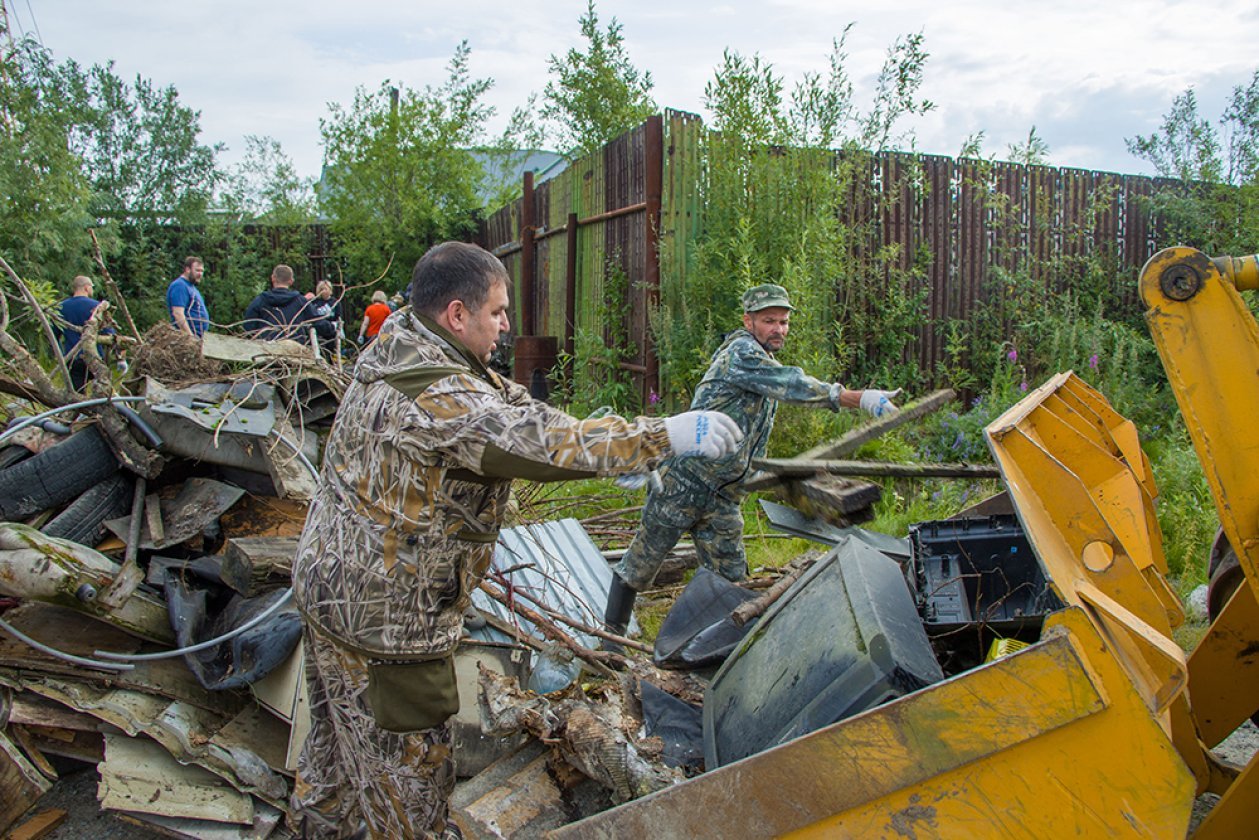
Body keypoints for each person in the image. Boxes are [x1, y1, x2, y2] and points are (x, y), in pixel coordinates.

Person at [288, 241, 742, 839]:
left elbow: (518, 407)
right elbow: (527, 441)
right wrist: (662, 435)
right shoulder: (436, 395)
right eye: (498, 312)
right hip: (386, 627)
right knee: (409, 788)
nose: (506, 326)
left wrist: (608, 445)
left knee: (336, 759)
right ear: (457, 314)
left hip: (329, 592)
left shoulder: (404, 346)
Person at [603, 283, 903, 643]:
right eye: (769, 321)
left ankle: (713, 651)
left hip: (724, 496)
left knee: (730, 579)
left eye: (784, 321)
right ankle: (611, 640)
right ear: (749, 321)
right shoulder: (742, 355)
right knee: (640, 563)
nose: (779, 329)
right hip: (682, 485)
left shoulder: (761, 360)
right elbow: (793, 384)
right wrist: (859, 398)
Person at [56, 275, 114, 392]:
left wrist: (61, 356)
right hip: (95, 358)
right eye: (92, 287)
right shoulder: (97, 307)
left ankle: (80, 410)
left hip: (72, 358)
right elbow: (110, 334)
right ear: (86, 288)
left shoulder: (61, 307)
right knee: (101, 393)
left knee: (77, 395)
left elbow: (54, 335)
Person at [242, 264, 325, 342]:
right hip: (294, 350)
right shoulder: (300, 301)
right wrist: (332, 329)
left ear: (273, 278)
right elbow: (318, 322)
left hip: (267, 349)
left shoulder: (260, 300)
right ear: (291, 281)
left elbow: (248, 327)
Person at [167, 255, 210, 338]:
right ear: (187, 269)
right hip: (188, 339)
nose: (200, 274)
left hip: (199, 338)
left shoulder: (191, 287)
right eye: (197, 270)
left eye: (202, 271)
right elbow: (178, 313)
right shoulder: (180, 286)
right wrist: (190, 337)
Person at [308, 280, 342, 357]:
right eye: (322, 289)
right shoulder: (315, 302)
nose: (324, 291)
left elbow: (338, 316)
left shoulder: (335, 302)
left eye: (326, 289)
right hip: (318, 330)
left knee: (331, 349)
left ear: (330, 290)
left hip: (331, 329)